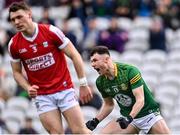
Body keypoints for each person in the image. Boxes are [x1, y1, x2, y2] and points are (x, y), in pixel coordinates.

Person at [8, 1, 93, 134]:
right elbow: (16, 72)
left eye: (19, 17)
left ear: (29, 15)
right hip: (42, 96)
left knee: (80, 131)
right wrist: (28, 87)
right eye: (13, 19)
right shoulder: (14, 44)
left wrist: (83, 83)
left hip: (64, 89)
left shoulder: (51, 31)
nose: (16, 22)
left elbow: (75, 55)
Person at [86, 46, 171, 134]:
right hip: (128, 118)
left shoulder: (129, 71)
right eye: (91, 61)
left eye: (95, 60)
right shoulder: (100, 82)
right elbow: (109, 105)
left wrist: (129, 118)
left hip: (148, 115)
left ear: (106, 59)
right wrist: (96, 120)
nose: (92, 64)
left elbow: (140, 100)